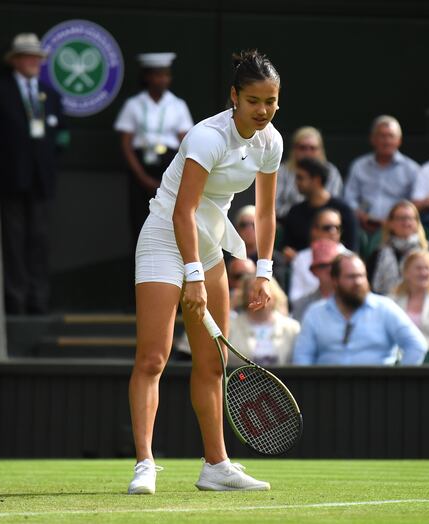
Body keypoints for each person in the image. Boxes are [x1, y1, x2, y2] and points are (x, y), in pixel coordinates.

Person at [128, 50, 281, 495]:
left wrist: (263, 271)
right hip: (164, 236)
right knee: (153, 358)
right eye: (254, 100)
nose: (263, 110)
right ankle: (144, 463)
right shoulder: (206, 137)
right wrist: (192, 275)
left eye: (271, 101)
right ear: (234, 97)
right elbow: (182, 211)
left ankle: (216, 466)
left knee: (213, 361)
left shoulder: (271, 142)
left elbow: (267, 214)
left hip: (209, 245)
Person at [0, 33, 68, 315]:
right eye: (28, 56)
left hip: (41, 181)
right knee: (12, 241)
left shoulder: (51, 95)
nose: (34, 61)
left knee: (39, 240)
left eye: (37, 57)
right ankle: (16, 301)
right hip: (10, 178)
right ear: (15, 61)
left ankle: (38, 300)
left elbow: (62, 138)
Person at [292, 253, 427, 365]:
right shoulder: (316, 313)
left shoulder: (385, 308)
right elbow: (302, 357)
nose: (358, 282)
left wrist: (398, 383)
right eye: (351, 277)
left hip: (377, 391)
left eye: (361, 276)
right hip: (328, 392)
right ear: (335, 280)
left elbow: (416, 345)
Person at [115, 53, 194, 241]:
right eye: (158, 75)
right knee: (139, 220)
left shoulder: (177, 105)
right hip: (141, 164)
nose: (163, 79)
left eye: (166, 75)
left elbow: (186, 142)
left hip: (169, 165)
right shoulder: (133, 104)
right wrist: (142, 177)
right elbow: (126, 143)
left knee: (170, 220)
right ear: (147, 77)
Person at [344, 115, 420, 233]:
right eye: (382, 136)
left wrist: (395, 221)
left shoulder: (412, 169)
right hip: (362, 226)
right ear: (372, 139)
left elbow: (415, 203)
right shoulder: (359, 166)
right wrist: (359, 213)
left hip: (397, 229)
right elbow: (349, 198)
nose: (386, 141)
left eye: (391, 136)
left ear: (399, 140)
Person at [280, 157, 357, 255]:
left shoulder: (344, 210)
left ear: (316, 180)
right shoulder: (295, 211)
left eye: (300, 178)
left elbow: (352, 250)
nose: (296, 182)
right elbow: (285, 247)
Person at [367, 200, 429, 296]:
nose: (406, 223)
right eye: (401, 218)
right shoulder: (378, 255)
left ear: (417, 223)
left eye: (410, 218)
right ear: (390, 223)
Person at [227, 275, 300, 366]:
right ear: (245, 295)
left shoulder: (293, 328)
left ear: (275, 293)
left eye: (265, 288)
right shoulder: (230, 327)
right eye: (252, 289)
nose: (259, 292)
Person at [275, 126, 344, 218]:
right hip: (288, 222)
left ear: (320, 150)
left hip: (323, 222)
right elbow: (273, 206)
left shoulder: (331, 172)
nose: (307, 152)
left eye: (312, 148)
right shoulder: (282, 171)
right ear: (294, 149)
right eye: (302, 148)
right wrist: (300, 213)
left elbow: (335, 205)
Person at [289, 208, 350, 303]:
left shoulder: (350, 258)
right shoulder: (301, 258)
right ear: (314, 231)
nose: (333, 232)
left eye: (337, 228)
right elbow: (295, 298)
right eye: (328, 228)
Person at [229, 205, 288, 285]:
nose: (248, 229)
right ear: (237, 229)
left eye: (254, 225)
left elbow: (277, 290)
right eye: (243, 225)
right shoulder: (228, 258)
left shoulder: (275, 259)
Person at [290, 239, 341, 323]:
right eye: (323, 266)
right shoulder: (303, 305)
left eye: (334, 265)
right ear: (314, 271)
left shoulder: (352, 299)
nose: (329, 270)